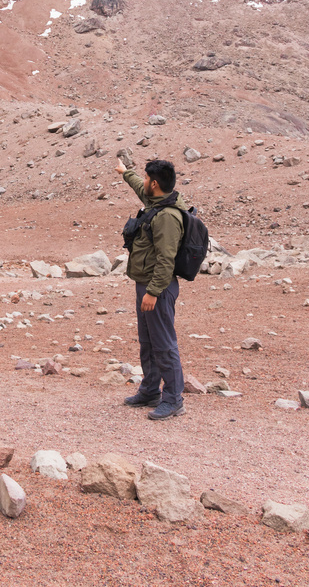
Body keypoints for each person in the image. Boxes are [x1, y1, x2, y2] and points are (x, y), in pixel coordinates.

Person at [115, 157, 187, 420]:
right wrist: (126, 173)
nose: (143, 181)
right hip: (145, 285)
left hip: (159, 288)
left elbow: (166, 260)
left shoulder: (167, 216)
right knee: (148, 341)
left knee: (164, 344)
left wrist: (154, 292)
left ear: (155, 184)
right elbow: (138, 186)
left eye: (146, 178)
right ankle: (150, 391)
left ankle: (173, 399)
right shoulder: (156, 203)